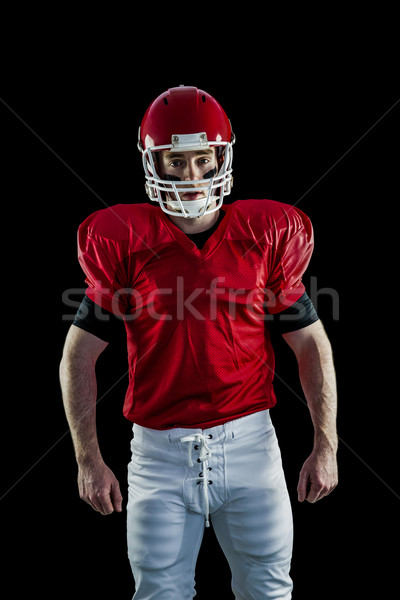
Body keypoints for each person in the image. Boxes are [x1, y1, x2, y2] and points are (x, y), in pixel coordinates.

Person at [60, 85, 338, 599]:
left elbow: (310, 344)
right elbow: (78, 355)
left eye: (202, 160)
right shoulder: (123, 241)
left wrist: (327, 445)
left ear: (222, 159)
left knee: (270, 592)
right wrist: (87, 459)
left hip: (251, 445)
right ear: (153, 164)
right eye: (175, 162)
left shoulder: (267, 234)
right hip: (158, 454)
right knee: (159, 593)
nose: (190, 177)